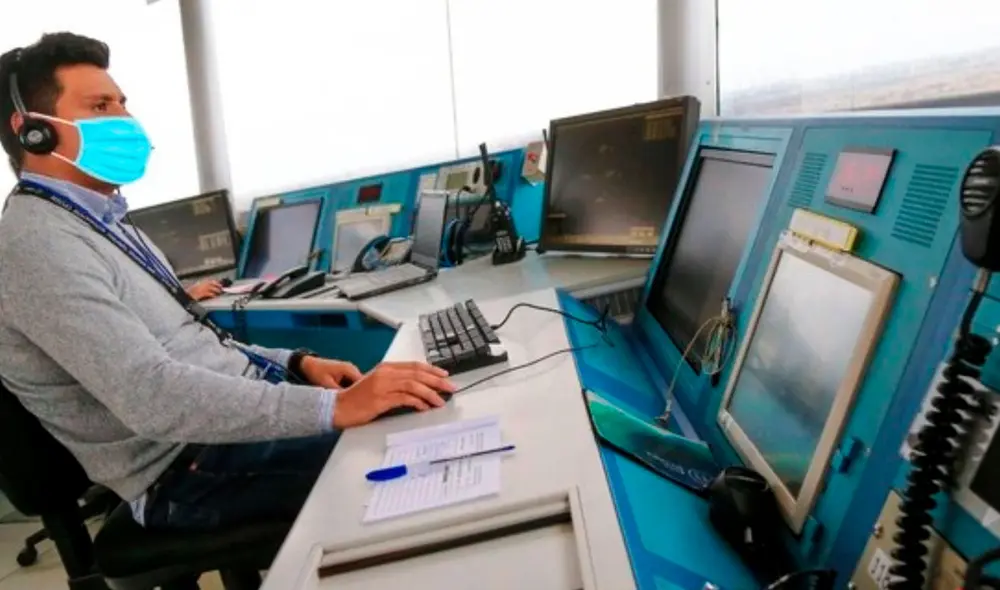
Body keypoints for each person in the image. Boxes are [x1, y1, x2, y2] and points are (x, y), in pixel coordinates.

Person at [0, 32, 455, 531]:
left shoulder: (102, 220)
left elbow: (192, 343)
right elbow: (153, 397)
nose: (125, 120)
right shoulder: (33, 243)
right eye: (101, 105)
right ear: (32, 132)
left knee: (430, 417)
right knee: (426, 466)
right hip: (186, 469)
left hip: (218, 436)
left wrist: (295, 362)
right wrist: (334, 407)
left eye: (123, 103)